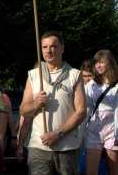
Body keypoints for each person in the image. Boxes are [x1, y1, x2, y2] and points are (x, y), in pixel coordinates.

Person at [20, 30, 86, 175]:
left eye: (53, 46)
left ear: (62, 48)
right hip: (38, 147)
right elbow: (24, 110)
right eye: (44, 47)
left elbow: (81, 112)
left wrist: (58, 133)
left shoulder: (74, 74)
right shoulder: (33, 75)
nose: (49, 50)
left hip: (67, 147)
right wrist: (36, 103)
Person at [85, 49, 118, 175]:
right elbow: (85, 108)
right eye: (96, 62)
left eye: (102, 62)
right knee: (91, 172)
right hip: (93, 130)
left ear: (109, 63)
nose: (98, 65)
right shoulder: (90, 85)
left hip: (113, 130)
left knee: (113, 172)